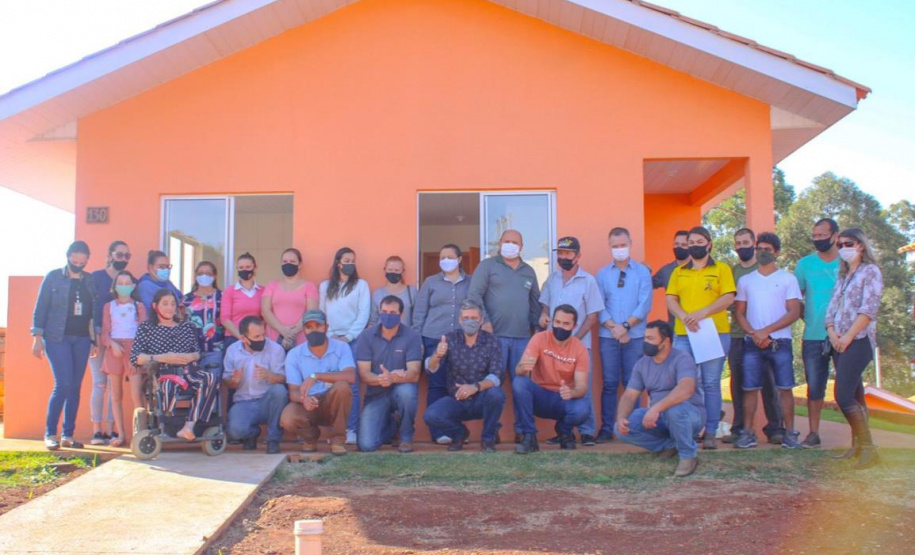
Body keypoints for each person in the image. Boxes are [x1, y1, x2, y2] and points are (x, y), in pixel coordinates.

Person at [666, 226, 736, 450]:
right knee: (685, 382)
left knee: (711, 383)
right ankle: (690, 427)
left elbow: (728, 297)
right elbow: (670, 299)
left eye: (699, 241)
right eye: (690, 243)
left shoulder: (722, 269)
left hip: (713, 333)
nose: (694, 245)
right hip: (684, 334)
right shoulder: (679, 272)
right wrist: (686, 317)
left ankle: (711, 431)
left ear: (709, 244)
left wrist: (701, 314)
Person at [467, 229, 541, 441]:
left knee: (522, 385)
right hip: (494, 338)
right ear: (499, 244)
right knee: (493, 385)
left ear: (522, 247)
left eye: (515, 242)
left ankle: (522, 431)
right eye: (506, 241)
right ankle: (492, 430)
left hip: (522, 338)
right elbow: (474, 296)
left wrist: (536, 329)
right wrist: (486, 322)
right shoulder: (488, 266)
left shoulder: (529, 271)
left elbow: (535, 302)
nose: (510, 245)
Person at [733, 232, 803, 449]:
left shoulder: (788, 279)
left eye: (768, 250)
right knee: (750, 387)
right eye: (759, 249)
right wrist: (755, 333)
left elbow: (794, 312)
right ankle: (747, 432)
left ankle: (790, 433)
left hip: (780, 342)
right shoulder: (746, 281)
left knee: (784, 387)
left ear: (777, 253)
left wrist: (767, 331)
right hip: (752, 342)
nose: (763, 253)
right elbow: (739, 313)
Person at [615, 321, 705, 477]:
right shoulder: (642, 364)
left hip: (690, 415)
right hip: (660, 417)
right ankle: (669, 445)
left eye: (651, 338)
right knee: (620, 428)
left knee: (674, 411)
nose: (645, 343)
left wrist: (656, 408)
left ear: (666, 341)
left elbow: (686, 389)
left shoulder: (682, 358)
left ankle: (688, 456)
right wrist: (621, 417)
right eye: (645, 338)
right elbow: (630, 394)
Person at [825, 228, 883, 469]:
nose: (842, 248)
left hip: (858, 341)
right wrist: (832, 333)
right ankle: (857, 446)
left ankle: (869, 447)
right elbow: (831, 310)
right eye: (839, 245)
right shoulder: (843, 277)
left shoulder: (871, 272)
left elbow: (868, 310)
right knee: (856, 395)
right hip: (838, 341)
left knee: (843, 395)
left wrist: (847, 336)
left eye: (847, 243)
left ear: (860, 245)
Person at [31, 241, 98, 450]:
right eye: (75, 258)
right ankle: (50, 433)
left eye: (82, 259)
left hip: (82, 338)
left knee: (75, 387)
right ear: (68, 256)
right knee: (63, 383)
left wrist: (94, 339)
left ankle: (68, 434)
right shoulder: (53, 277)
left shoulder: (89, 280)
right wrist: (37, 336)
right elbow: (41, 306)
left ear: (87, 259)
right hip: (56, 337)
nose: (78, 262)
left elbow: (93, 312)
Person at [539, 236, 604, 446]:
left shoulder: (589, 281)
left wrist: (573, 340)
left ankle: (586, 432)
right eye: (561, 253)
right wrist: (543, 315)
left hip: (580, 346)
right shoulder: (552, 279)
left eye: (568, 253)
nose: (564, 257)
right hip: (553, 347)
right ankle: (563, 431)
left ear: (578, 255)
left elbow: (593, 316)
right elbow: (545, 306)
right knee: (559, 388)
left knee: (581, 387)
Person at [130, 289, 216, 441]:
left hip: (190, 369)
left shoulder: (186, 327)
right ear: (156, 306)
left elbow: (197, 352)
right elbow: (136, 357)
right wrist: (163, 357)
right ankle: (168, 424)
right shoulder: (147, 328)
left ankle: (189, 426)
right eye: (165, 304)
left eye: (172, 304)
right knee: (168, 385)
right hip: (164, 371)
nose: (170, 307)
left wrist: (189, 356)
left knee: (209, 379)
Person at [725, 228, 784, 445]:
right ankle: (739, 428)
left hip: (766, 335)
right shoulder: (732, 272)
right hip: (738, 335)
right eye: (738, 243)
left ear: (754, 243)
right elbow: (729, 300)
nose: (742, 247)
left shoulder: (767, 271)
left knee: (769, 381)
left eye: (746, 242)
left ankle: (776, 427)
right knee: (739, 382)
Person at [423, 301, 506, 452]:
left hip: (482, 398)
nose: (470, 321)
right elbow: (431, 368)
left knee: (496, 394)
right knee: (431, 415)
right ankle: (459, 433)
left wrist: (475, 387)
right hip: (457, 399)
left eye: (474, 318)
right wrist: (437, 355)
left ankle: (488, 439)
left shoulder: (492, 341)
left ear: (481, 320)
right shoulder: (449, 339)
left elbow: (497, 376)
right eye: (466, 317)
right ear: (460, 320)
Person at [595, 228, 652, 443]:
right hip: (608, 337)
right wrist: (614, 328)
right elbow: (598, 305)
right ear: (609, 247)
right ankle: (606, 428)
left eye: (622, 245)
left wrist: (626, 327)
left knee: (633, 383)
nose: (619, 249)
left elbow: (644, 304)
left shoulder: (642, 273)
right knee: (609, 383)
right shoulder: (602, 274)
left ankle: (632, 429)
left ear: (630, 243)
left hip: (635, 337)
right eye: (615, 246)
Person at [412, 244, 471, 444]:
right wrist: (418, 341)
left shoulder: (470, 283)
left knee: (456, 386)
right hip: (433, 338)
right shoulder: (430, 282)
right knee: (436, 386)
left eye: (449, 256)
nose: (445, 260)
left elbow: (478, 308)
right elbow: (419, 313)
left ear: (459, 259)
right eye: (442, 256)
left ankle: (455, 430)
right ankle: (438, 432)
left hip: (461, 341)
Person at [513, 305, 590, 454]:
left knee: (583, 408)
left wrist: (572, 393)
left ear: (574, 326)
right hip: (540, 396)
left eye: (566, 324)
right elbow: (518, 369)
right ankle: (530, 436)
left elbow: (582, 387)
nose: (560, 327)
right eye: (558, 322)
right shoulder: (539, 338)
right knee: (519, 382)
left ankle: (565, 432)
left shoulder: (580, 348)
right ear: (552, 322)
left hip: (563, 399)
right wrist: (523, 367)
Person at [281, 310, 356, 456]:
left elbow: (350, 376)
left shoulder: (342, 347)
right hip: (309, 404)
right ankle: (311, 438)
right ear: (304, 330)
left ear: (326, 327)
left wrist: (317, 376)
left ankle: (338, 441)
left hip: (332, 402)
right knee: (287, 418)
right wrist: (303, 399)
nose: (314, 330)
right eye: (309, 327)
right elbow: (293, 391)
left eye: (318, 325)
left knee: (342, 387)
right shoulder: (295, 354)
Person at [355, 296, 422, 453]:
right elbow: (364, 374)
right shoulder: (366, 336)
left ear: (401, 315)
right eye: (384, 311)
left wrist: (393, 378)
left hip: (400, 391)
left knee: (407, 392)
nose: (387, 315)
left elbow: (414, 373)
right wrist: (382, 379)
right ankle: (393, 426)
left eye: (392, 312)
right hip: (376, 395)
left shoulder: (412, 336)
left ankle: (406, 438)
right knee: (366, 445)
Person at [794, 218, 841, 448]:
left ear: (835, 236)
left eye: (822, 235)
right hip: (813, 335)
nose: (818, 239)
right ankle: (813, 433)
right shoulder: (804, 265)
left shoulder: (848, 261)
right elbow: (795, 298)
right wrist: (810, 318)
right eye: (815, 236)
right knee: (815, 385)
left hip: (845, 335)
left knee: (850, 386)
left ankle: (860, 435)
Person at [320, 247, 371, 444]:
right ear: (338, 262)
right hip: (330, 340)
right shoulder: (325, 286)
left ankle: (350, 430)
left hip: (354, 341)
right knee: (330, 384)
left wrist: (348, 337)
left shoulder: (361, 286)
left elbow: (363, 314)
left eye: (353, 260)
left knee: (353, 386)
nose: (350, 264)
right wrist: (330, 336)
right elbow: (322, 313)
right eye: (346, 260)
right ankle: (335, 430)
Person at [223, 315, 287, 454]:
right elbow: (227, 381)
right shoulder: (232, 351)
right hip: (244, 402)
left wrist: (270, 376)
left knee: (279, 391)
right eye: (256, 337)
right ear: (243, 338)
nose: (261, 339)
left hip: (267, 402)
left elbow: (282, 379)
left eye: (263, 335)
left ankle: (273, 439)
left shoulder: (275, 349)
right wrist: (234, 381)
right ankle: (252, 434)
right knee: (235, 431)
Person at [88, 240, 131, 445]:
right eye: (119, 254)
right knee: (99, 384)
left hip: (120, 341)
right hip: (97, 337)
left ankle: (112, 429)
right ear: (110, 254)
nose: (122, 259)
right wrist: (94, 337)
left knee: (115, 388)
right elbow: (90, 309)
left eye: (126, 256)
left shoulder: (129, 281)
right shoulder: (96, 278)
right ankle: (97, 430)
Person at [99, 271, 147, 447]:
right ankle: (121, 434)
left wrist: (135, 350)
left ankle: (140, 434)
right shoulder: (108, 307)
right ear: (115, 286)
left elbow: (144, 331)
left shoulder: (139, 306)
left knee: (136, 395)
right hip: (114, 351)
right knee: (116, 394)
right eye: (121, 282)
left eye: (128, 283)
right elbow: (104, 332)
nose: (124, 286)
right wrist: (112, 344)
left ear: (133, 286)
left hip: (133, 350)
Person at [262, 248, 319, 350]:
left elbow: (311, 313)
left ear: (300, 264)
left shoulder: (309, 287)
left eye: (292, 261)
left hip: (300, 340)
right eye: (285, 261)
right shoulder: (272, 285)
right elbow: (265, 310)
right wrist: (282, 330)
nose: (288, 264)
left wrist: (291, 334)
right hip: (273, 339)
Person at [183, 261, 226, 373]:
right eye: (200, 273)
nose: (204, 276)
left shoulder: (223, 297)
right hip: (192, 352)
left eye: (208, 273)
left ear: (215, 276)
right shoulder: (186, 299)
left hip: (215, 350)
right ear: (195, 276)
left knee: (213, 384)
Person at [221, 252, 264, 349]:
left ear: (255, 268)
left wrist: (256, 336)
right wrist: (241, 337)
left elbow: (265, 317)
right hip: (233, 338)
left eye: (248, 267)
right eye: (241, 268)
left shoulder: (263, 291)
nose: (244, 270)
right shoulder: (230, 291)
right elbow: (225, 319)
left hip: (256, 339)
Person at [368, 255, 418, 328]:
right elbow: (373, 320)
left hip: (405, 336)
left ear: (403, 272)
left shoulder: (412, 292)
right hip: (381, 337)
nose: (393, 272)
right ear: (385, 270)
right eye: (390, 270)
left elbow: (417, 318)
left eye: (397, 270)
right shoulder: (377, 293)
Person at [652, 230, 690, 326]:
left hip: (698, 323)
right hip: (675, 326)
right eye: (676, 244)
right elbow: (648, 284)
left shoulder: (699, 268)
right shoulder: (666, 270)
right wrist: (643, 270)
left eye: (683, 244)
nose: (679, 247)